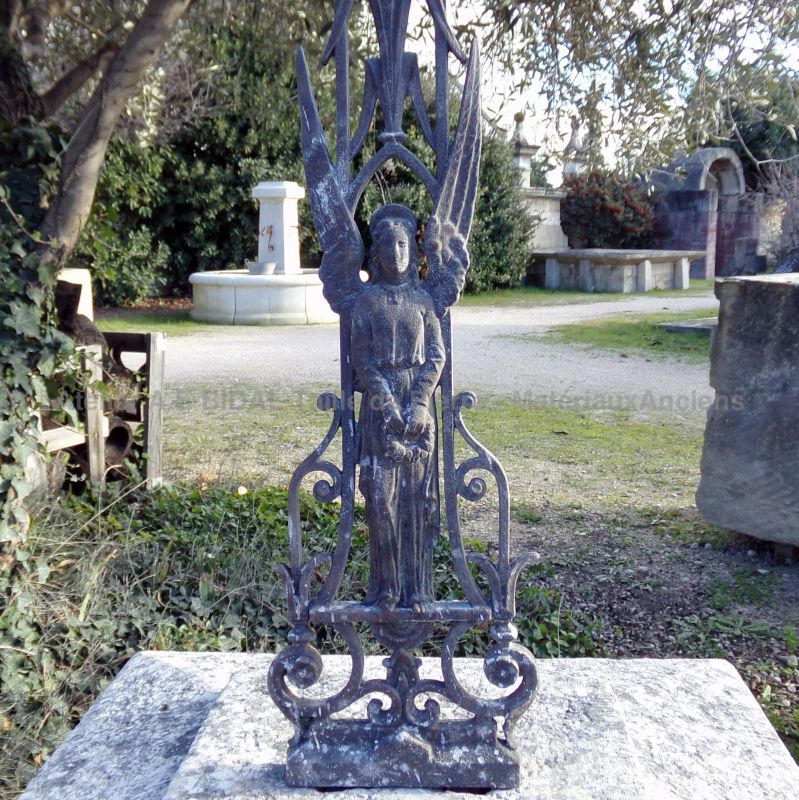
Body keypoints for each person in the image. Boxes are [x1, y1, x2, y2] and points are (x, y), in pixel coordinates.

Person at [351, 204, 445, 613]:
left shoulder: (423, 301)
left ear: (414, 249)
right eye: (389, 245)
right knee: (381, 500)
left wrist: (420, 402)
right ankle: (387, 586)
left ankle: (418, 588)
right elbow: (361, 358)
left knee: (415, 501)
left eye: (404, 244)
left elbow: (436, 355)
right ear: (377, 251)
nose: (397, 253)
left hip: (417, 402)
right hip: (380, 402)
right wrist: (387, 404)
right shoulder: (366, 302)